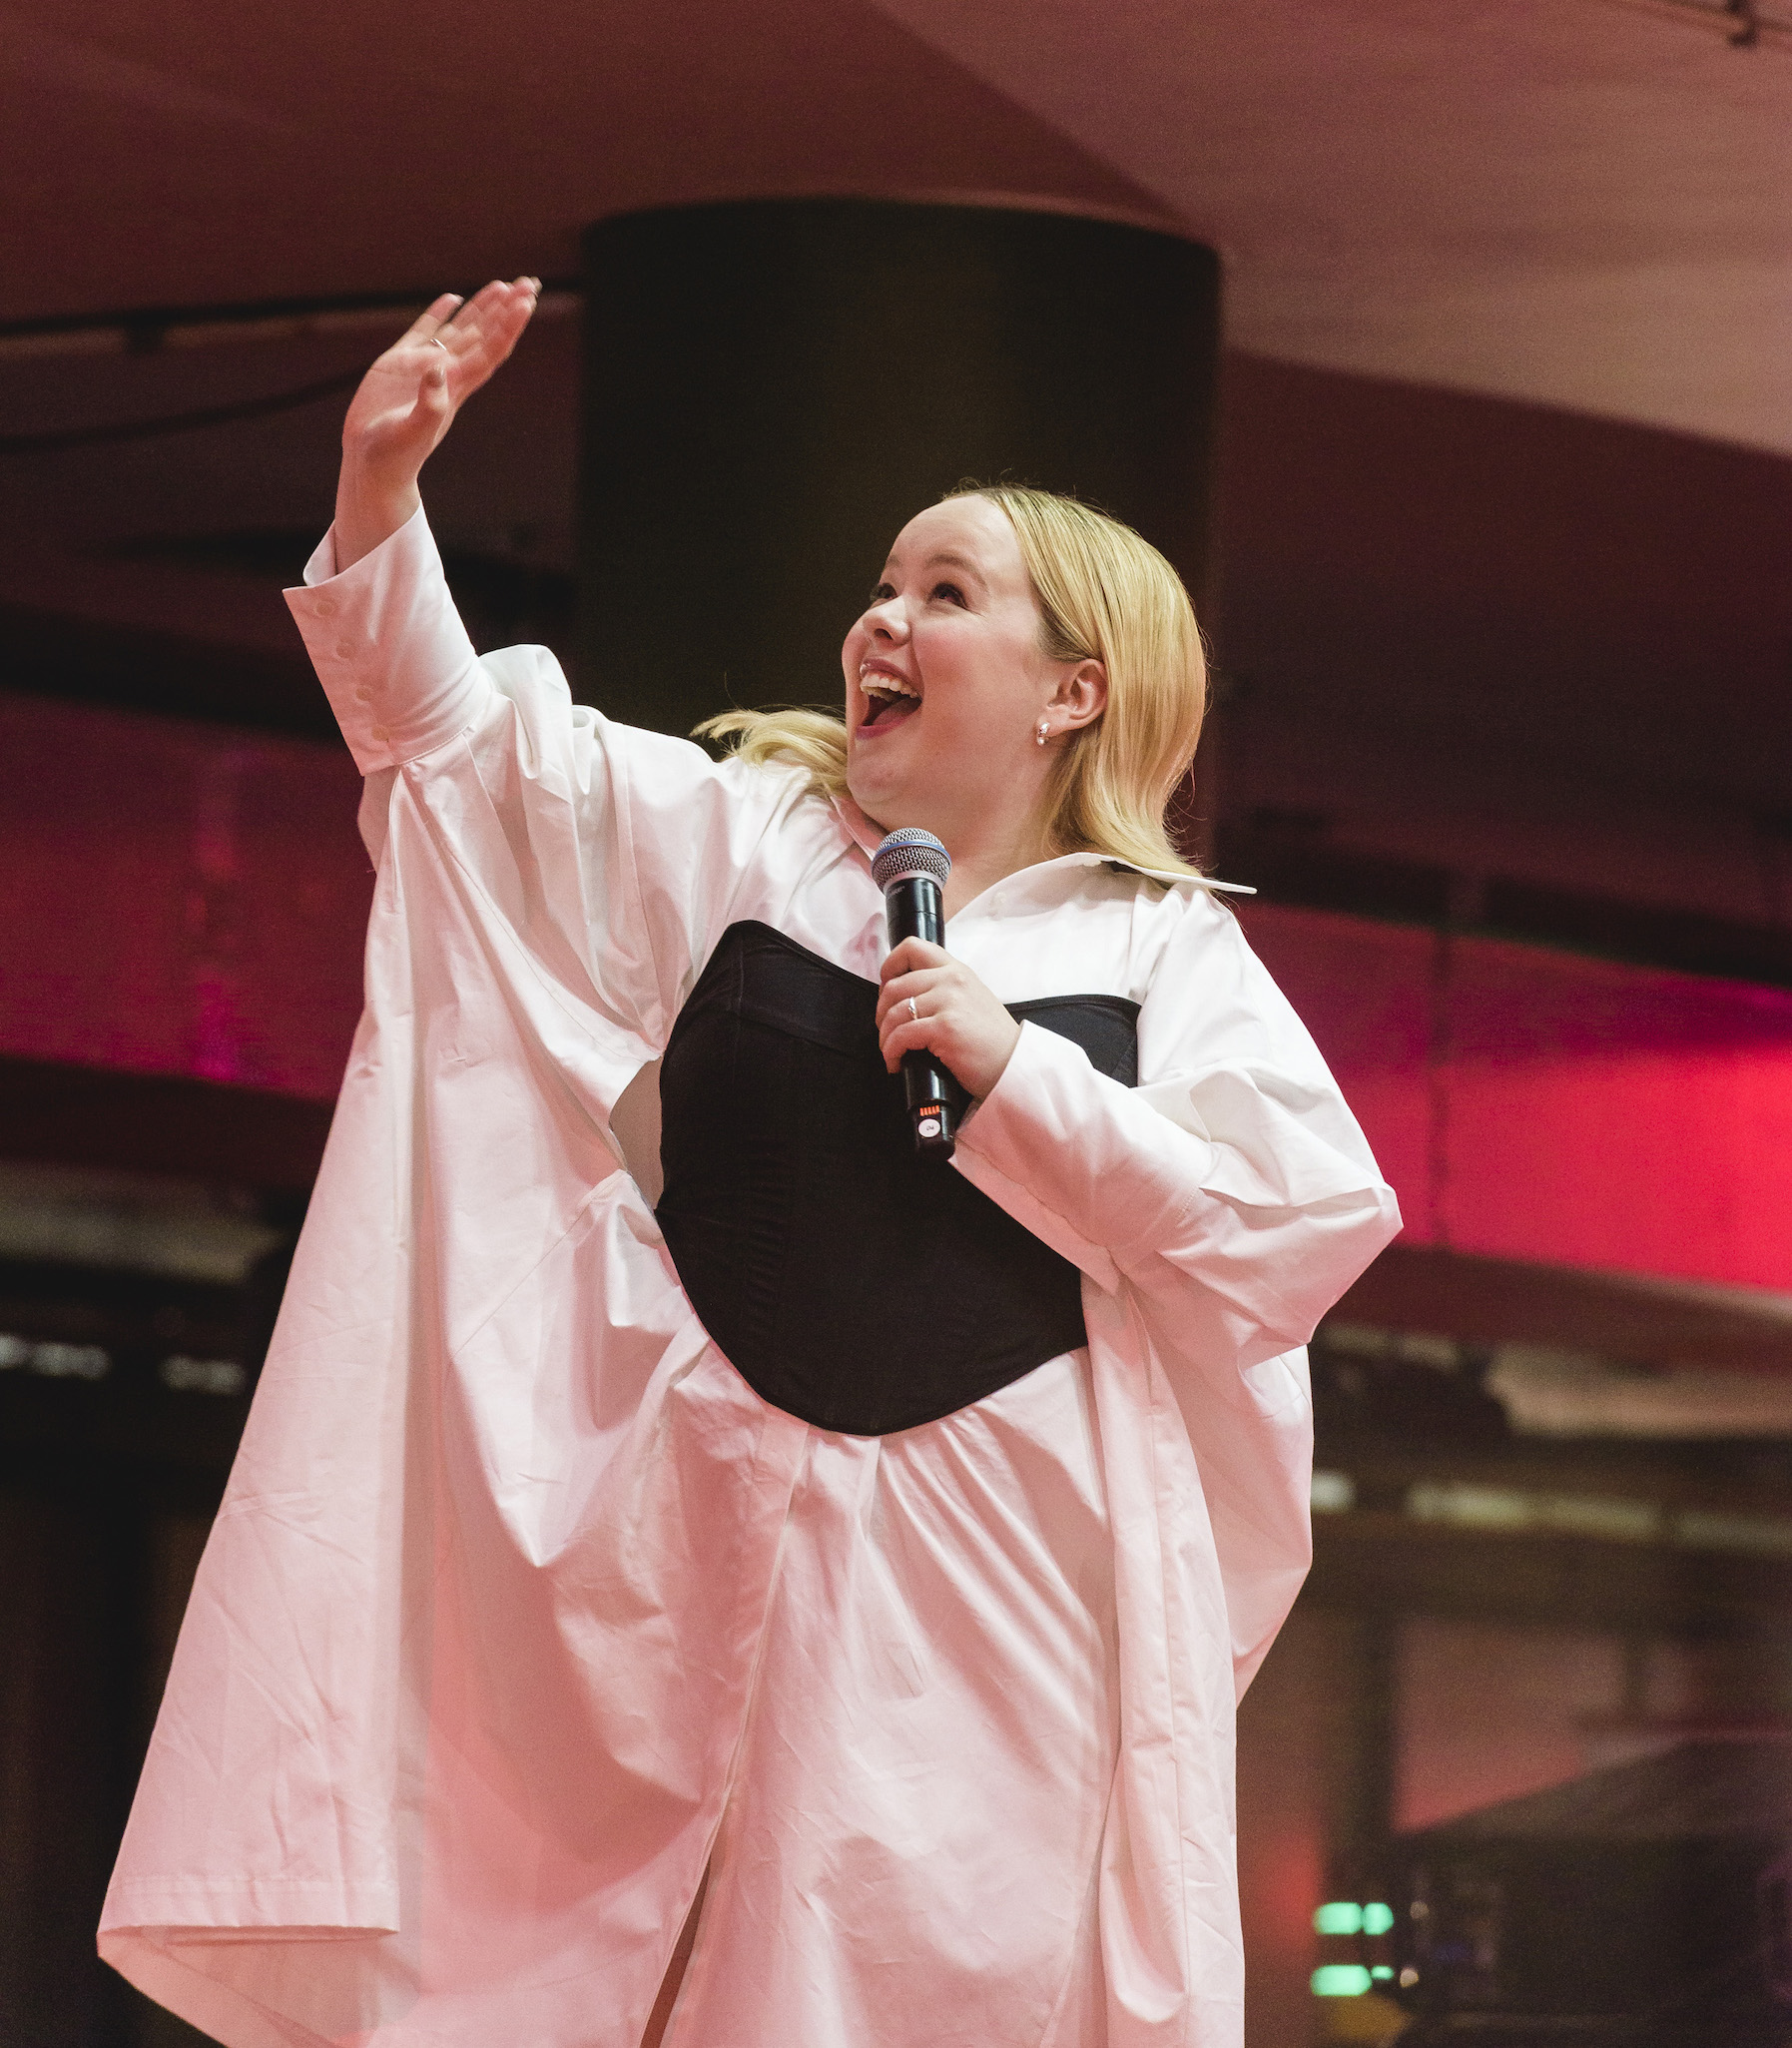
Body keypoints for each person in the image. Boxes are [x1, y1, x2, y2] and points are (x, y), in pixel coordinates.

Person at [100, 278, 1401, 2048]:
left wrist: (1013, 1072)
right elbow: (455, 756)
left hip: (983, 1576)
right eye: (881, 584)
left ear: (1073, 690)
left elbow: (1294, 1231)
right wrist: (377, 498)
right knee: (606, 1954)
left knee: (911, 1973)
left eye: (947, 593)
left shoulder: (1168, 953)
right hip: (679, 1523)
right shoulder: (745, 836)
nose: (884, 617)